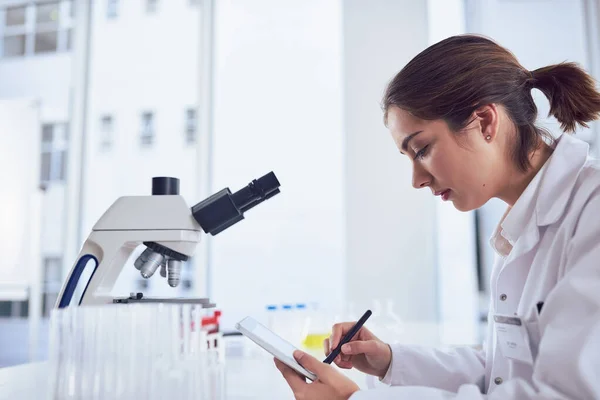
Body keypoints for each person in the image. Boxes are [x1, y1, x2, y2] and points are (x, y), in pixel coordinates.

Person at [275, 34, 600, 399]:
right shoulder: (523, 224)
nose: (417, 180)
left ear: (484, 121)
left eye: (422, 149)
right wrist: (390, 363)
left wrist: (356, 399)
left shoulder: (591, 213)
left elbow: (566, 393)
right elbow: (499, 374)